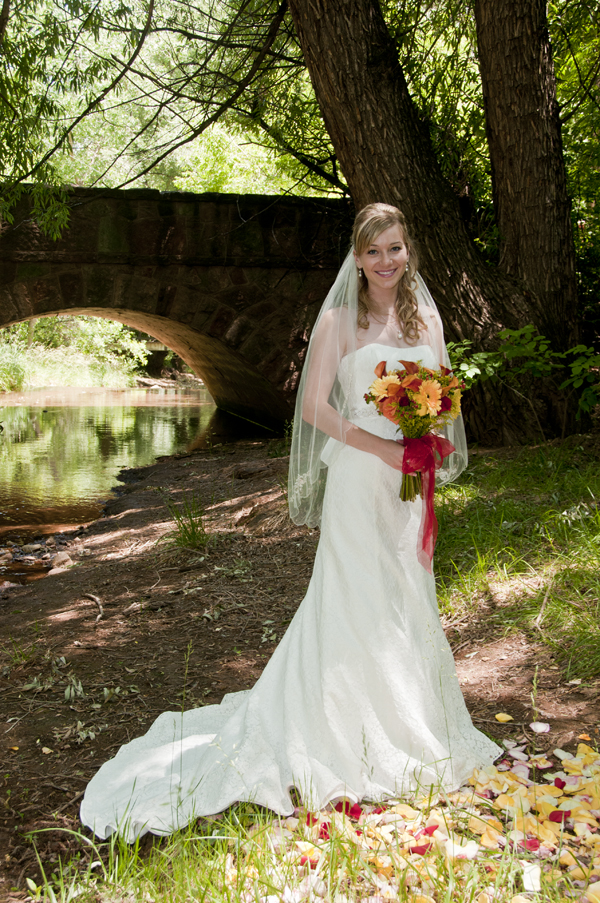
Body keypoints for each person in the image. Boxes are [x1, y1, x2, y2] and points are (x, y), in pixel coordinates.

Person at [80, 203, 500, 842]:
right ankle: (338, 729)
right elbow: (312, 406)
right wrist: (380, 443)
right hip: (361, 479)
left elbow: (442, 392)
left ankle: (412, 721)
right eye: (374, 252)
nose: (386, 262)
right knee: (355, 597)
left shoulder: (425, 318)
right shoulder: (339, 320)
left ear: (407, 251)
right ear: (357, 260)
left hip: (409, 482)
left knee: (405, 597)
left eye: (395, 249)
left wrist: (426, 438)